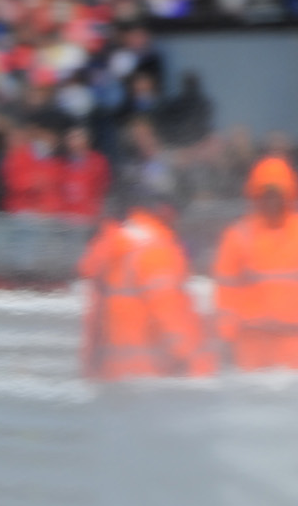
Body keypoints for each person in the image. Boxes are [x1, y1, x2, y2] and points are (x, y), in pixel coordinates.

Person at [78, 195, 212, 379]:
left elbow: (95, 314)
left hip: (111, 372)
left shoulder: (115, 239)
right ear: (167, 211)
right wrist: (194, 364)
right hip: (151, 374)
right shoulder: (156, 248)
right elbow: (169, 314)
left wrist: (90, 366)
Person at [213, 156, 298, 369]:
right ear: (255, 195)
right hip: (251, 347)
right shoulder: (238, 236)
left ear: (288, 195)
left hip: (293, 345)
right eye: (265, 194)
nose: (271, 200)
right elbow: (225, 294)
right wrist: (226, 336)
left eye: (277, 194)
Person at [59, 126, 111, 219]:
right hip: (66, 217)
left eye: (78, 137)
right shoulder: (61, 164)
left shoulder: (98, 161)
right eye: (71, 138)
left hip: (90, 216)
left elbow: (102, 188)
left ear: (87, 140)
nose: (74, 141)